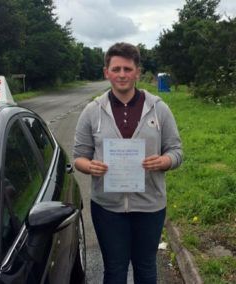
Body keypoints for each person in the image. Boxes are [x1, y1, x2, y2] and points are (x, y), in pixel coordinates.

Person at [73, 42, 182, 284]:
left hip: (150, 207)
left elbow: (176, 151)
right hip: (108, 208)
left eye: (127, 69)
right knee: (114, 270)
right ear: (107, 72)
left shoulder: (159, 109)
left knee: (146, 269)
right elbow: (79, 156)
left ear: (137, 72)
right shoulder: (92, 111)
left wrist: (164, 161)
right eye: (116, 69)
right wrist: (89, 166)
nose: (122, 74)